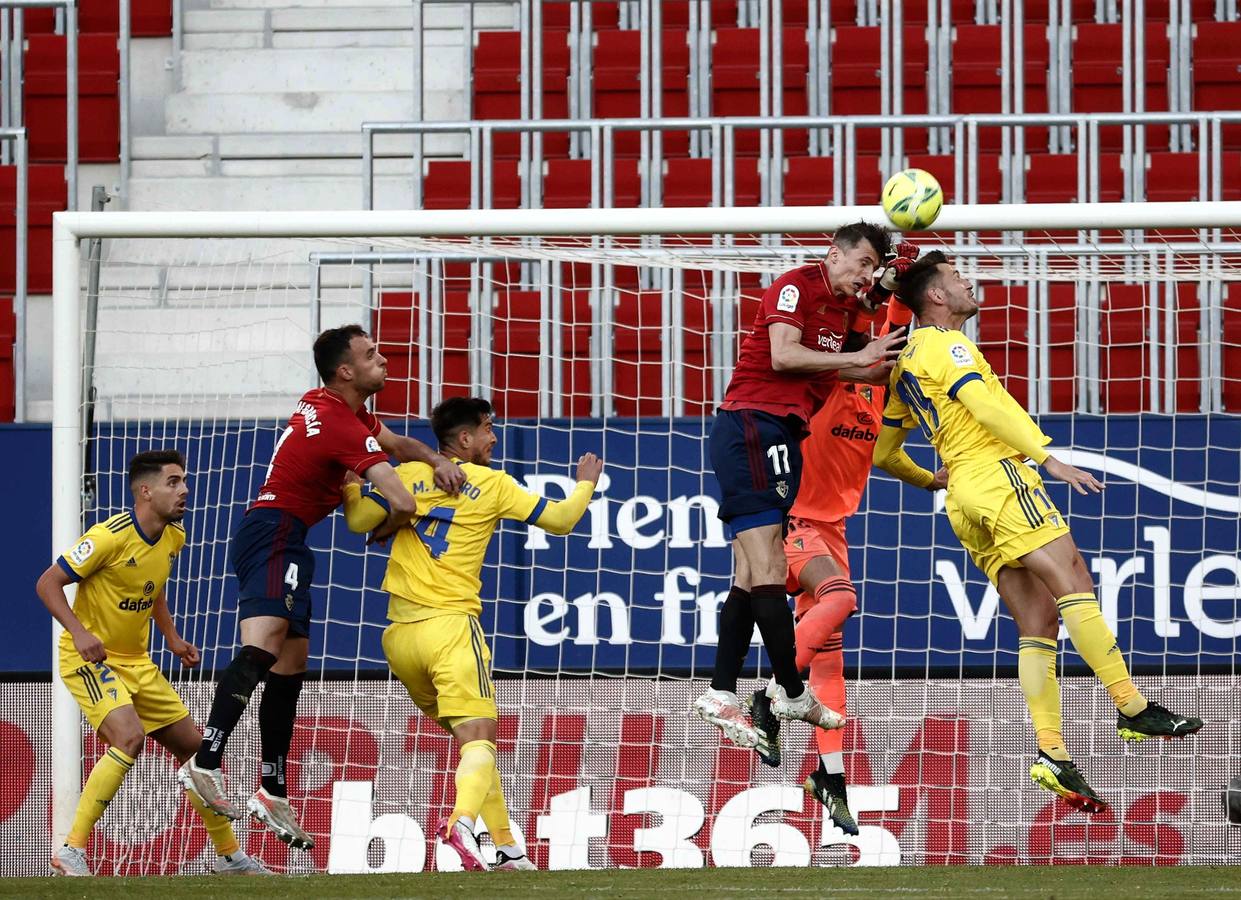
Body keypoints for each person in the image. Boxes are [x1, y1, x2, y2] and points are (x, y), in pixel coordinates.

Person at [872, 251, 1203, 812]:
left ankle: (1051, 752)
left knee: (1038, 618)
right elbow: (980, 401)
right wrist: (1047, 459)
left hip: (963, 499)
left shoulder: (904, 363)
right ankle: (1131, 706)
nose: (967, 281)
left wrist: (931, 479)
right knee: (1073, 580)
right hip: (1000, 477)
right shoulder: (948, 345)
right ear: (935, 297)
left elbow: (883, 452)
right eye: (956, 277)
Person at [180, 325, 466, 848]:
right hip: (274, 533)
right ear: (345, 370)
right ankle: (205, 760)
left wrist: (437, 459)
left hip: (283, 535)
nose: (383, 358)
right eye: (371, 354)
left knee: (290, 666)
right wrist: (388, 529)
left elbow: (397, 442)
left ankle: (271, 790)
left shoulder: (332, 406)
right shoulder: (340, 424)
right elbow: (402, 502)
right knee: (262, 647)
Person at [341, 396, 602, 871]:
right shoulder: (492, 483)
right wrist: (585, 485)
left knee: (472, 745)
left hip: (399, 637)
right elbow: (562, 520)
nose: (494, 438)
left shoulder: (406, 475)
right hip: (450, 630)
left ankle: (506, 848)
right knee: (481, 737)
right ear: (464, 440)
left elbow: (359, 521)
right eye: (487, 429)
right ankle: (461, 822)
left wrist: (352, 486)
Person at [753, 254, 948, 835]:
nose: (896, 357)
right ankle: (767, 698)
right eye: (893, 351)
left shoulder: (886, 406)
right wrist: (896, 283)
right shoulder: (839, 382)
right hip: (788, 518)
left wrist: (930, 480)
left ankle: (829, 776)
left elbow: (889, 456)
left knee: (831, 663)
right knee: (841, 597)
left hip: (832, 528)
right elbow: (876, 333)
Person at [693, 222, 908, 749]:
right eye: (860, 264)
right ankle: (788, 688)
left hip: (779, 431)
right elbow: (784, 355)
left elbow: (867, 367)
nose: (864, 276)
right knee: (765, 565)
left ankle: (721, 692)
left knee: (749, 573)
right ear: (833, 255)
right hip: (752, 423)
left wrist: (905, 344)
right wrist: (858, 357)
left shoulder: (844, 310)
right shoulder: (796, 285)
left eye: (871, 269)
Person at [37, 450, 269, 877]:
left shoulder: (173, 536)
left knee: (195, 750)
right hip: (89, 659)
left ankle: (229, 857)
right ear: (145, 491)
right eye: (173, 482)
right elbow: (48, 582)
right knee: (129, 737)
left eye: (183, 481)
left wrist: (173, 637)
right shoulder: (108, 536)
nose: (184, 490)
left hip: (136, 661)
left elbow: (153, 586)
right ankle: (70, 849)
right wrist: (80, 632)